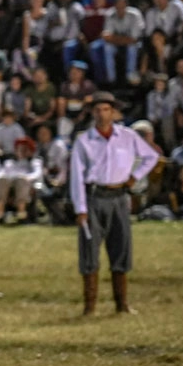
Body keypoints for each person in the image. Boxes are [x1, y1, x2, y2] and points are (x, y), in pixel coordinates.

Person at [69, 92, 160, 315]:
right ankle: (89, 306)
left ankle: (122, 304)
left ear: (114, 112)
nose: (102, 114)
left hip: (119, 195)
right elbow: (76, 177)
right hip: (94, 196)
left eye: (106, 109)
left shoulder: (127, 136)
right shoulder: (84, 141)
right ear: (92, 113)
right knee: (89, 250)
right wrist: (80, 208)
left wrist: (134, 176)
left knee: (121, 246)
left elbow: (151, 157)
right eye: (98, 110)